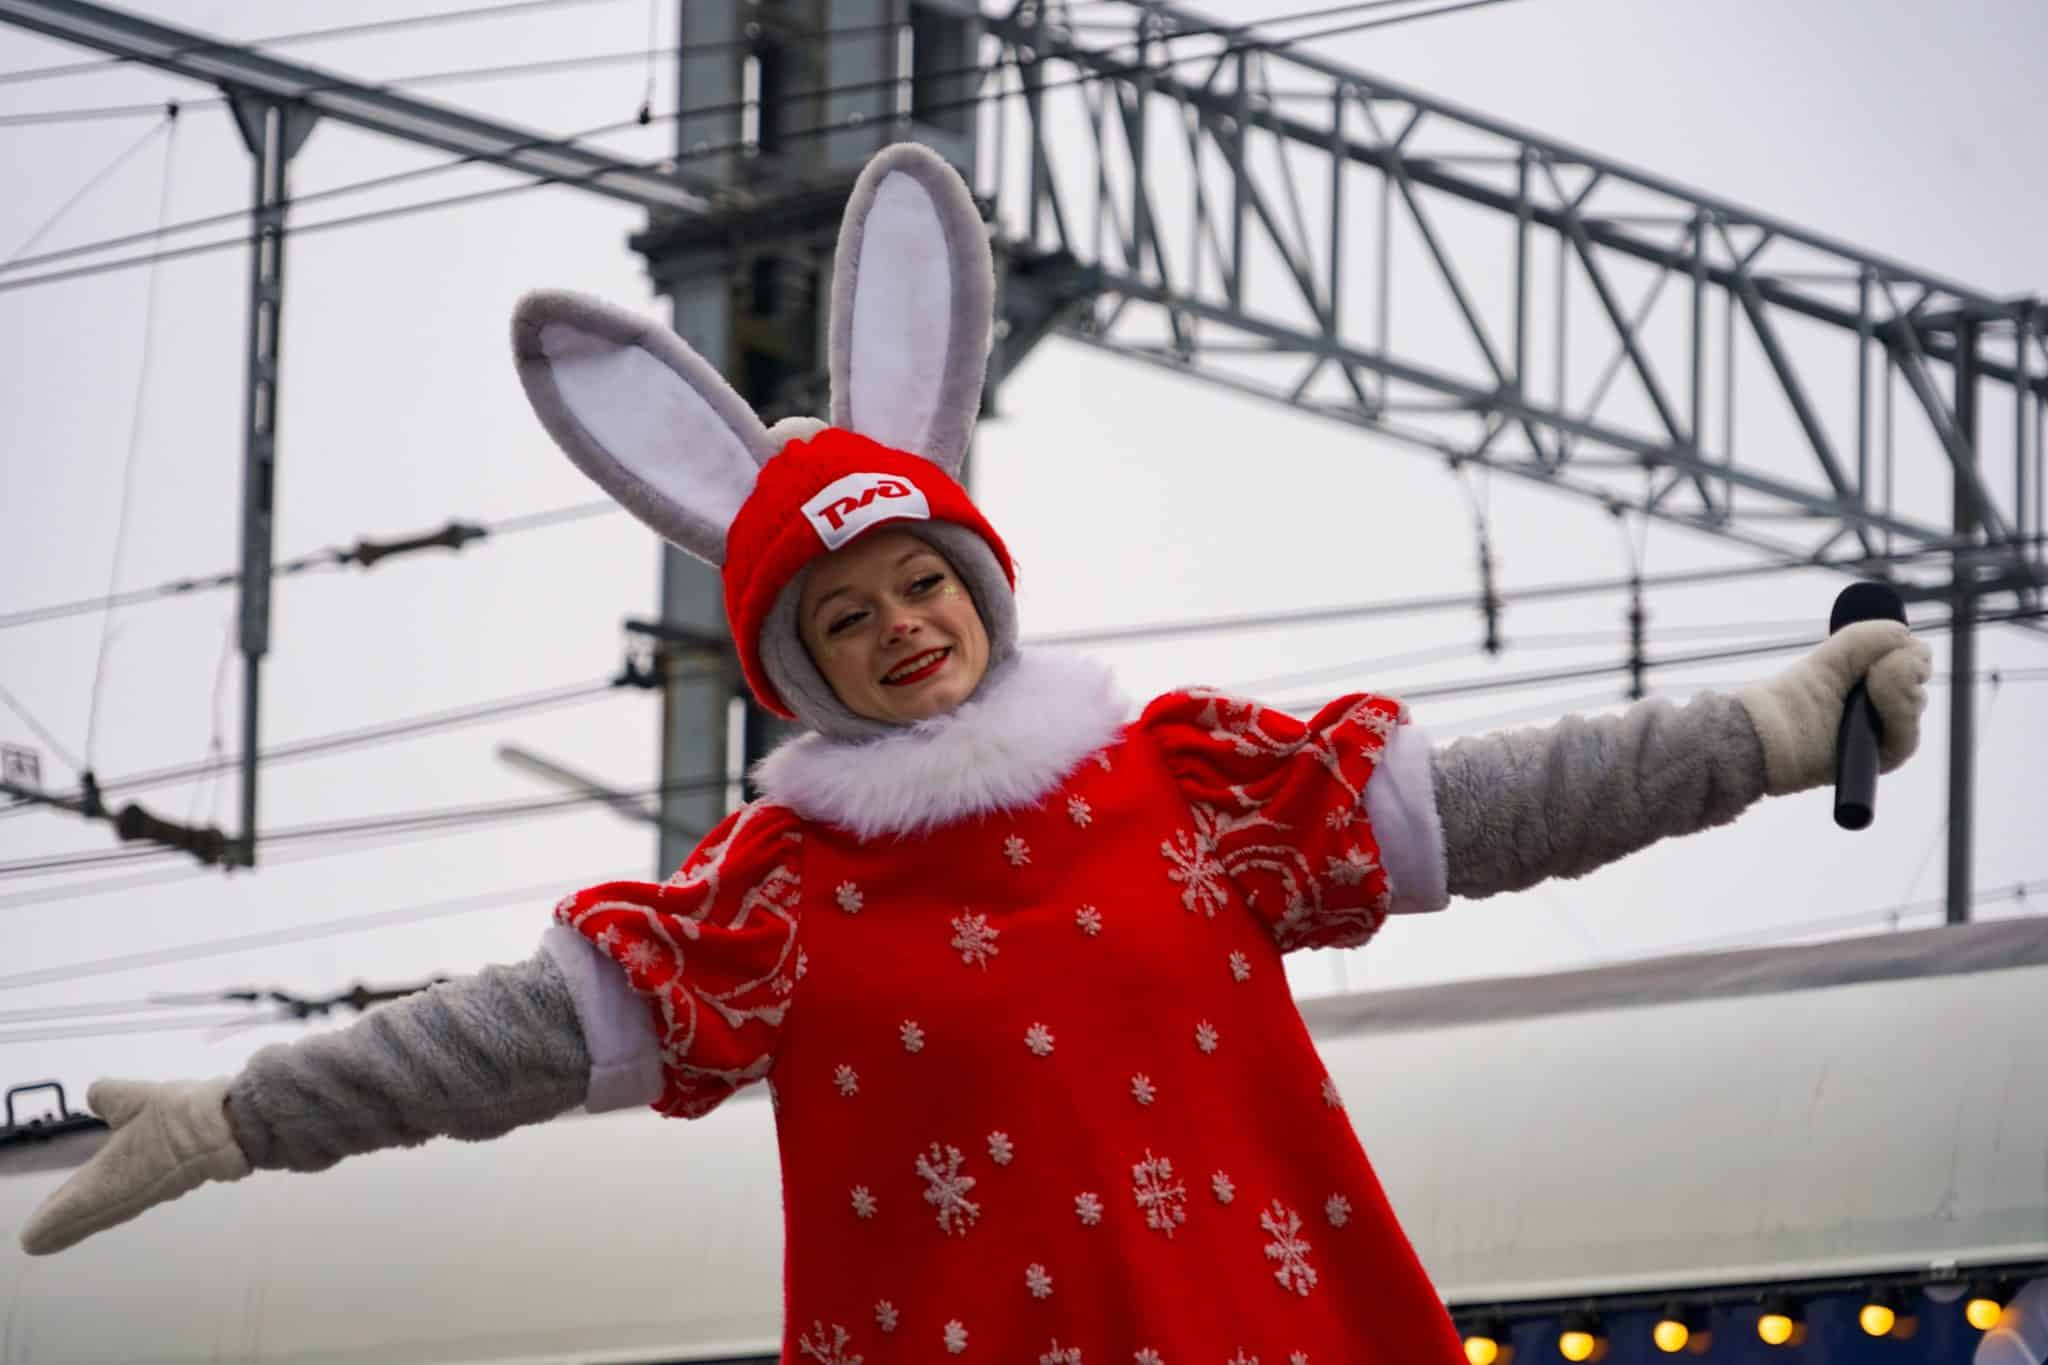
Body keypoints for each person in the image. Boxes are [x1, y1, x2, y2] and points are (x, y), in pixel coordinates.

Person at [19, 144, 1932, 1364]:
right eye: (842, 619)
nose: (898, 626)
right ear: (805, 675)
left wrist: (1761, 731)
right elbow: (498, 1040)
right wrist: (240, 1114)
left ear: (978, 584)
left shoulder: (1198, 788)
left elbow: (1508, 803)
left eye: (918, 579)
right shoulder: (767, 910)